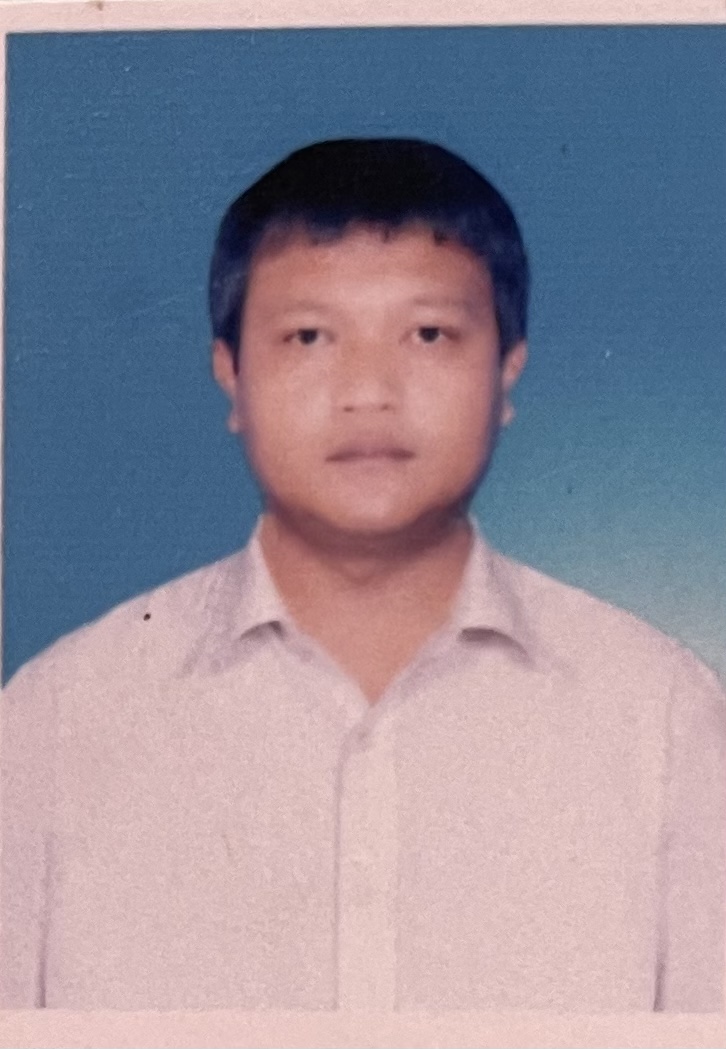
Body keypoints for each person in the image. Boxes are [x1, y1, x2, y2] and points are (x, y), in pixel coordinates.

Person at [1, 138, 723, 1012]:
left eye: (429, 334)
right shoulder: (56, 723)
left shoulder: (665, 719)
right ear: (231, 373)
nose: (369, 390)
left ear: (506, 372)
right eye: (309, 336)